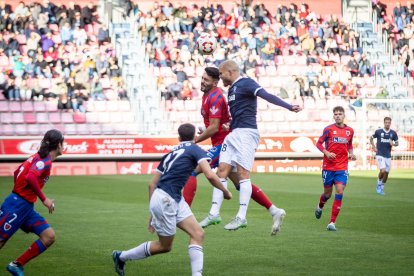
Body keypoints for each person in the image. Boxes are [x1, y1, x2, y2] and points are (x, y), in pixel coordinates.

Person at [183, 67, 293, 236]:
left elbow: (214, 127)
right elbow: (221, 122)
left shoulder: (217, 96)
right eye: (202, 78)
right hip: (230, 138)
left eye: (206, 79)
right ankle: (274, 210)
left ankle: (184, 215)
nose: (202, 81)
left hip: (228, 141)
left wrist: (195, 140)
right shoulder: (220, 93)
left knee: (195, 169)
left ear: (216, 81)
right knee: (236, 181)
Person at [112, 123, 232, 276]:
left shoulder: (169, 154)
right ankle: (121, 256)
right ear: (195, 137)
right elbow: (209, 174)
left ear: (178, 137)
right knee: (164, 246)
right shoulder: (195, 149)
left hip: (171, 198)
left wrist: (152, 211)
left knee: (198, 234)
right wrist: (225, 191)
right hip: (166, 200)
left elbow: (152, 184)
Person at [0, 129, 64, 276]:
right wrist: (44, 199)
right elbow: (30, 177)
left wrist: (21, 191)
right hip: (16, 205)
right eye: (63, 143)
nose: (63, 146)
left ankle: (16, 265)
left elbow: (17, 172)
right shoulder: (45, 161)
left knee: (49, 236)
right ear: (58, 144)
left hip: (25, 207)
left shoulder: (38, 157)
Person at [315, 106, 356, 231]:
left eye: (340, 114)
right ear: (333, 116)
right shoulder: (328, 129)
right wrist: (326, 153)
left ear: (344, 116)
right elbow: (318, 143)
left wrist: (352, 153)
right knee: (327, 194)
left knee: (340, 191)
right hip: (328, 167)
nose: (338, 116)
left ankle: (332, 222)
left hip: (342, 167)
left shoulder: (350, 131)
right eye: (336, 114)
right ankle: (320, 206)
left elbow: (349, 144)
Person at [369, 117, 399, 195]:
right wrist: (374, 147)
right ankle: (378, 184)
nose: (387, 124)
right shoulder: (379, 132)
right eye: (386, 122)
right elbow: (371, 138)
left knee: (386, 173)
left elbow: (397, 143)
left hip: (388, 155)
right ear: (384, 123)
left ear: (390, 123)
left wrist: (394, 144)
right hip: (380, 154)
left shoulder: (393, 133)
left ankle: (382, 187)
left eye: (389, 122)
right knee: (382, 170)